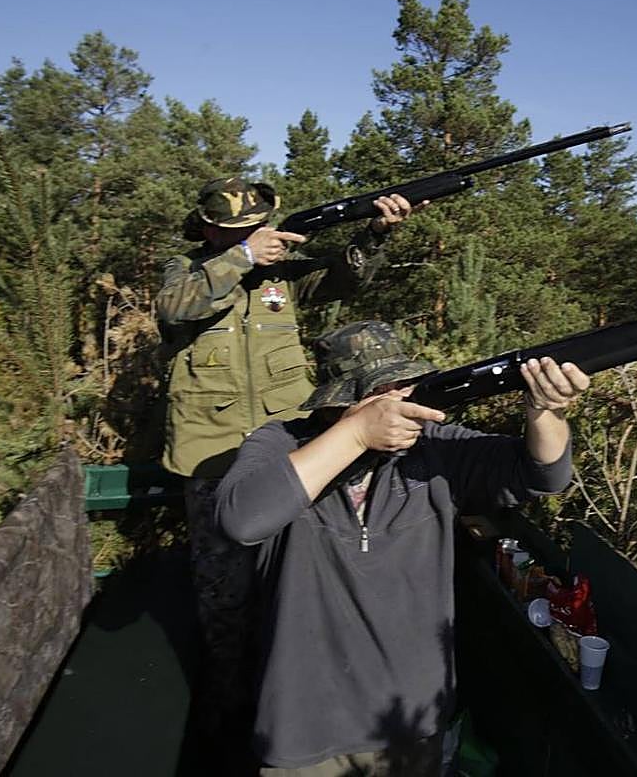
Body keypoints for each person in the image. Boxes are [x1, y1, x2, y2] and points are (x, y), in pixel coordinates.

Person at [215, 320, 590, 775]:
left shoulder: (434, 449)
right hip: (305, 724)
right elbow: (242, 519)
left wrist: (543, 411)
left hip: (411, 718)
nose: (400, 401)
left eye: (404, 386)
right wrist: (355, 436)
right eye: (380, 391)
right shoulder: (280, 442)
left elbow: (542, 475)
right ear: (340, 400)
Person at [155, 177, 420, 768]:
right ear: (207, 230)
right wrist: (242, 258)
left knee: (298, 589)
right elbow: (174, 309)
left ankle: (295, 716)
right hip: (212, 458)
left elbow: (342, 279)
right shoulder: (187, 271)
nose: (253, 236)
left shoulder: (281, 278)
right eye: (236, 232)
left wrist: (374, 233)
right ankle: (225, 726)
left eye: (257, 228)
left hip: (287, 455)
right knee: (225, 600)